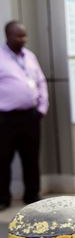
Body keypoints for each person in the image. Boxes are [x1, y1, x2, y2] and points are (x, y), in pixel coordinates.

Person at [0, 21, 48, 211]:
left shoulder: (30, 56)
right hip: (5, 118)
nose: (23, 39)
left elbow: (41, 82)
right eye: (18, 36)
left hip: (30, 116)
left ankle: (32, 194)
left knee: (31, 157)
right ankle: (3, 197)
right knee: (3, 159)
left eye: (24, 35)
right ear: (8, 36)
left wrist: (42, 108)